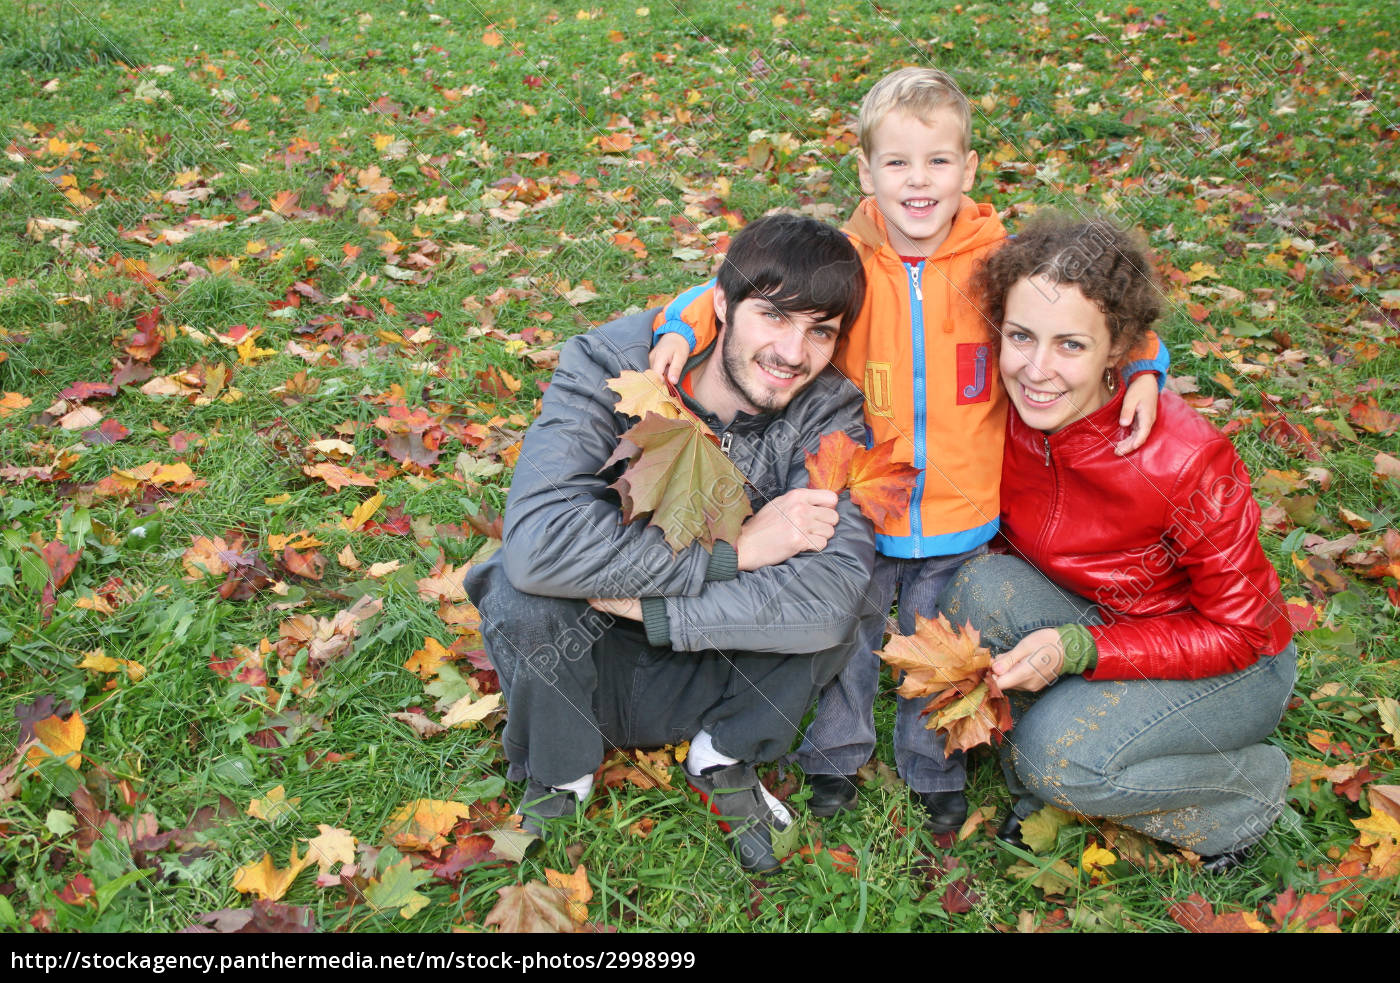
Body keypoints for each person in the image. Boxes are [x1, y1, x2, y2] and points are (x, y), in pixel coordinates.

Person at [648, 67, 1170, 832]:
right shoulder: (846, 260)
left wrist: (1147, 365)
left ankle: (934, 769)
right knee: (848, 638)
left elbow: (1097, 308)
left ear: (968, 169)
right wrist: (679, 329)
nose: (918, 182)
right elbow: (732, 286)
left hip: (961, 509)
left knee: (940, 644)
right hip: (860, 503)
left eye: (937, 162)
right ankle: (834, 760)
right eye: (897, 163)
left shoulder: (1001, 263)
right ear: (866, 172)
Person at [466, 213, 878, 873]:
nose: (793, 353)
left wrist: (655, 606)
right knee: (523, 589)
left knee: (843, 599)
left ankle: (724, 751)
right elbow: (540, 543)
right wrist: (733, 550)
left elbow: (827, 595)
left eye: (820, 331)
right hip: (589, 660)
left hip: (723, 656)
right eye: (773, 316)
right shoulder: (610, 363)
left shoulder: (829, 411)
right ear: (722, 304)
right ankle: (563, 770)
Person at [937, 214, 1296, 869]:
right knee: (973, 587)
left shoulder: (1186, 461)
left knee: (1059, 754)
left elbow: (1242, 632)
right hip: (1104, 612)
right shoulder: (1001, 410)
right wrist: (686, 323)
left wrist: (1079, 645)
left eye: (1070, 345)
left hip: (1232, 664)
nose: (1037, 370)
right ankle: (1049, 780)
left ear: (1118, 349)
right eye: (1020, 336)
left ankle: (1247, 793)